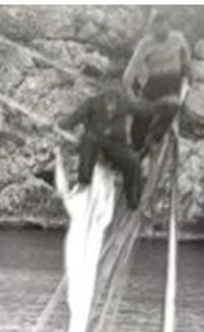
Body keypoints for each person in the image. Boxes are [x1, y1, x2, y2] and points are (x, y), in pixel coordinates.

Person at [58, 78, 152, 208]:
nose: (112, 94)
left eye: (115, 89)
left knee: (133, 160)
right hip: (95, 140)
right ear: (104, 88)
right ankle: (84, 180)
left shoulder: (124, 102)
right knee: (88, 139)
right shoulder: (93, 102)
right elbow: (76, 116)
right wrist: (62, 124)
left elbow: (141, 109)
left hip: (115, 145)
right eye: (109, 88)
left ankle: (133, 200)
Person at [122, 11, 192, 152]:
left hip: (173, 84)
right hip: (154, 84)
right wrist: (129, 91)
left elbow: (187, 60)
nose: (161, 30)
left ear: (168, 25)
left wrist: (188, 78)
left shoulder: (178, 38)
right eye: (157, 28)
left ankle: (154, 139)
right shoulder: (146, 44)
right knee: (141, 117)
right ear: (152, 29)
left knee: (171, 106)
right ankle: (135, 150)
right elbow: (132, 68)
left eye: (164, 26)